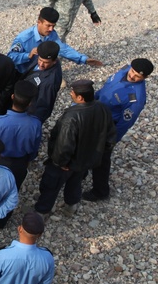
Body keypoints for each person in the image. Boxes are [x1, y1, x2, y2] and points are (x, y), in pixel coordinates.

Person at [34, 79, 116, 216]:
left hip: (67, 164)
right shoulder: (102, 108)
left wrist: (61, 163)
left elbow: (64, 145)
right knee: (75, 183)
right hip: (85, 161)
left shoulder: (71, 117)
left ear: (80, 97)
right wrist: (97, 155)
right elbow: (110, 135)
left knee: (51, 186)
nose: (70, 93)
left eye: (73, 92)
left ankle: (41, 212)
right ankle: (71, 206)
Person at [84, 58, 154, 202]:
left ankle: (100, 191)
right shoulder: (124, 70)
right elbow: (105, 88)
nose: (132, 76)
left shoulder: (136, 98)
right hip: (94, 113)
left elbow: (125, 123)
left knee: (102, 159)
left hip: (106, 128)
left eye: (137, 76)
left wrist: (111, 140)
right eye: (133, 71)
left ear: (145, 78)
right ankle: (82, 171)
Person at [0, 80, 43, 225]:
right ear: (29, 103)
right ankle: (2, 220)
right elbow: (34, 148)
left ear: (12, 97)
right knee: (12, 191)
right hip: (20, 163)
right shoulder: (35, 124)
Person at [8, 7, 103, 76]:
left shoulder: (52, 34)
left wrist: (83, 59)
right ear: (39, 22)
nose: (51, 29)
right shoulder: (24, 38)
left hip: (41, 70)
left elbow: (62, 49)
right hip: (23, 73)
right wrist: (28, 55)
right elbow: (11, 58)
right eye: (48, 25)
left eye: (53, 26)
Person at [21, 41, 63, 123]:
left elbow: (43, 107)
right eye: (40, 60)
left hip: (28, 114)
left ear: (54, 61)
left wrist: (31, 124)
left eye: (46, 62)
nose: (41, 64)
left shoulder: (50, 82)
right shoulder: (42, 60)